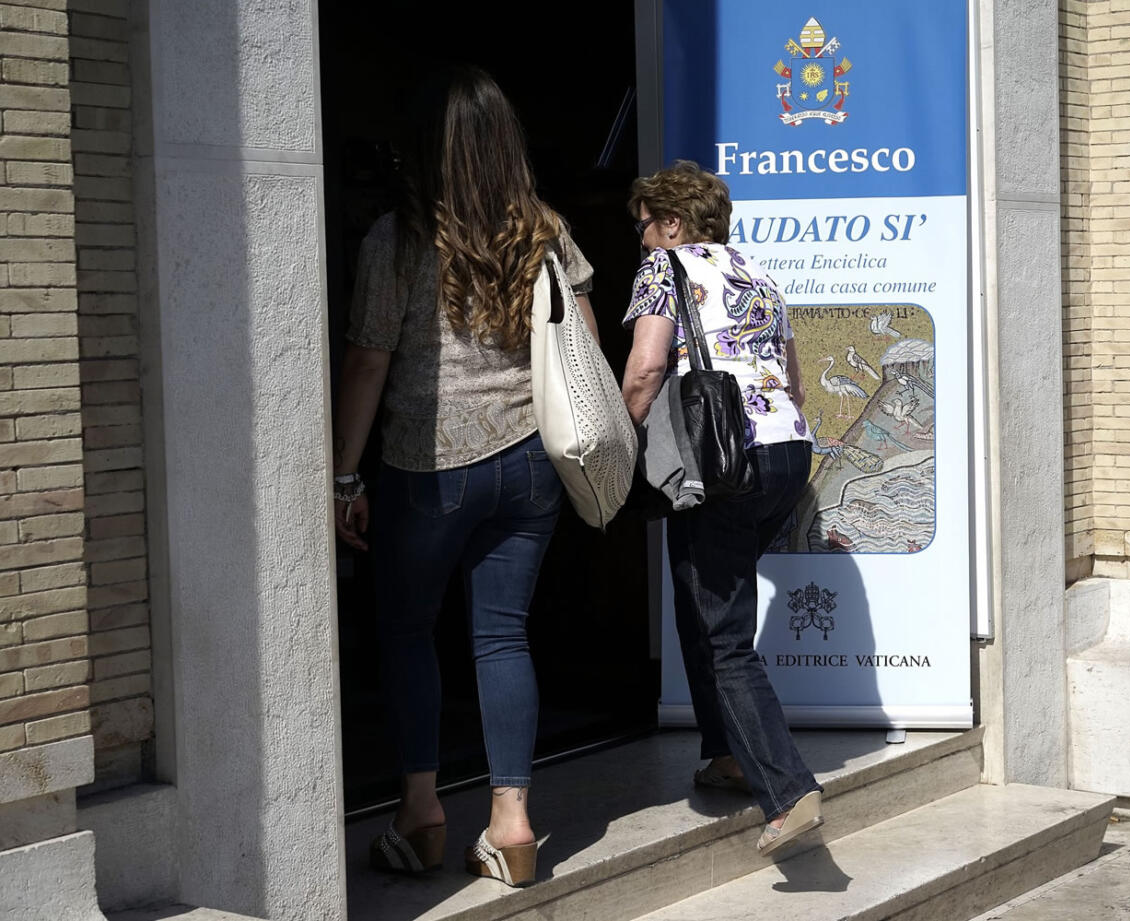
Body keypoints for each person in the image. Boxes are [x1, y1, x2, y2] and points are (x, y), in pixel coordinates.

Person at [332, 66, 598, 887]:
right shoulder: (544, 228)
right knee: (500, 634)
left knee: (408, 631)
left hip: (428, 466)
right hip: (531, 462)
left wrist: (342, 477)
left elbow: (370, 361)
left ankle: (420, 815)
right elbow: (583, 333)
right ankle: (512, 826)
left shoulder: (396, 237)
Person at [621, 161, 823, 856]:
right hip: (786, 450)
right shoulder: (757, 272)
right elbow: (792, 377)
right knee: (697, 585)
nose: (642, 236)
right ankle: (726, 751)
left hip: (721, 460)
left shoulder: (664, 268)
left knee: (725, 634)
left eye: (645, 223)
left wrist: (618, 442)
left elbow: (647, 367)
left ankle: (788, 790)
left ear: (671, 223)